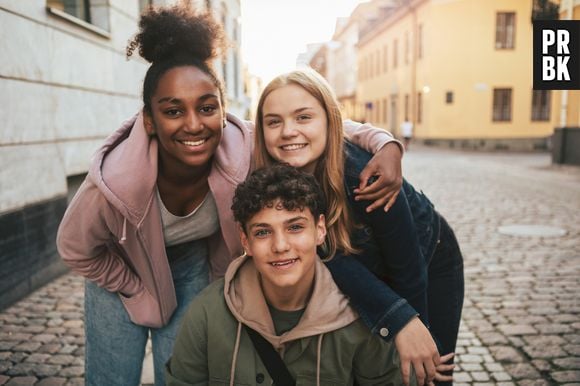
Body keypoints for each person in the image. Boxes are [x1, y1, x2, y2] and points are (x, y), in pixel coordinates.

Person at [56, 5, 406, 386]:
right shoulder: (113, 184)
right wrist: (132, 287)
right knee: (112, 377)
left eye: (207, 108)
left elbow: (322, 123)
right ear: (150, 120)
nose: (193, 124)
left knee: (181, 369)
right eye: (173, 111)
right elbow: (74, 247)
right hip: (125, 267)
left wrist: (385, 143)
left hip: (192, 264)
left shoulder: (244, 147)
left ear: (224, 112)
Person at [253, 69, 464, 385]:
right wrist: (394, 317)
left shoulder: (362, 176)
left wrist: (410, 324)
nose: (287, 131)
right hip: (357, 265)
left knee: (427, 369)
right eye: (274, 121)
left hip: (430, 261)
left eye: (303, 118)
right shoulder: (274, 180)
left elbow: (409, 270)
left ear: (329, 121)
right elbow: (332, 258)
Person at [166, 165, 416, 386]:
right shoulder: (207, 314)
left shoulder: (360, 320)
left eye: (295, 227)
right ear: (246, 240)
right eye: (263, 232)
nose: (280, 246)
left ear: (320, 230)